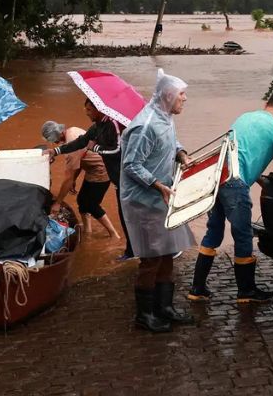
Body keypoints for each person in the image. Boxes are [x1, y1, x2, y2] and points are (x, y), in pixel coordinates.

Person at [187, 91, 273, 304]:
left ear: (266, 103)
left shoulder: (244, 118)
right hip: (236, 184)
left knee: (214, 232)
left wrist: (259, 179)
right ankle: (246, 291)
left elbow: (240, 154)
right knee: (244, 235)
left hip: (218, 178)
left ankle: (197, 288)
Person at [120, 68, 197, 333]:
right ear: (168, 96)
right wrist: (157, 185)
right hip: (143, 200)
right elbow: (131, 164)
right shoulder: (145, 125)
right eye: (182, 94)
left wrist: (182, 154)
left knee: (167, 253)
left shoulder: (165, 117)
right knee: (151, 258)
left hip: (161, 195)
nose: (185, 99)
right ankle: (144, 315)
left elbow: (171, 142)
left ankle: (164, 308)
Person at [44, 99, 135, 260]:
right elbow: (82, 143)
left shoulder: (111, 126)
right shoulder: (95, 127)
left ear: (99, 109)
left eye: (89, 109)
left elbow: (116, 150)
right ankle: (91, 234)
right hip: (110, 175)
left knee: (92, 204)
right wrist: (56, 151)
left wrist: (58, 202)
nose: (86, 112)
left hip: (109, 173)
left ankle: (120, 241)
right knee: (86, 202)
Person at [41, 120, 120, 238]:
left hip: (101, 171)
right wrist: (74, 180)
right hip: (94, 169)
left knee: (91, 205)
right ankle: (88, 231)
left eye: (53, 139)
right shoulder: (72, 130)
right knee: (82, 201)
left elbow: (68, 178)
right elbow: (79, 162)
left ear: (58, 134)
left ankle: (114, 234)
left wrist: (57, 203)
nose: (55, 143)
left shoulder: (71, 145)